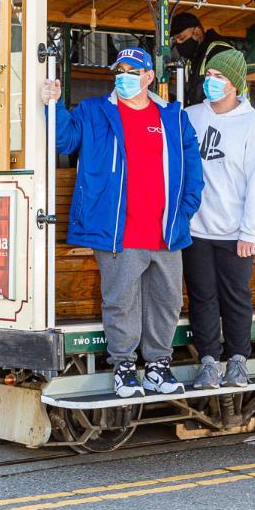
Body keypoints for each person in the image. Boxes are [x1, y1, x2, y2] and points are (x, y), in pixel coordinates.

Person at [43, 47, 204, 397]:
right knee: (121, 301)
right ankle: (125, 368)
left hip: (165, 232)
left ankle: (158, 368)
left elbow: (193, 168)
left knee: (167, 301)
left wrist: (185, 208)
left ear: (149, 77)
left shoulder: (173, 117)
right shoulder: (94, 111)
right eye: (120, 70)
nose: (124, 76)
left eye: (133, 70)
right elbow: (63, 140)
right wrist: (53, 105)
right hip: (119, 231)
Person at [184, 47, 255, 390]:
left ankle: (238, 360)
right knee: (202, 296)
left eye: (219, 77)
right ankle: (208, 361)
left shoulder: (253, 126)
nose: (212, 82)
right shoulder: (191, 116)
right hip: (196, 229)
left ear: (235, 84)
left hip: (236, 232)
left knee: (236, 296)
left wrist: (250, 231)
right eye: (209, 76)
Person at [170, 12, 235, 104]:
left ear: (197, 32)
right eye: (175, 41)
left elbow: (226, 92)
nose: (179, 44)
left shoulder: (219, 51)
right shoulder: (195, 56)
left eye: (181, 38)